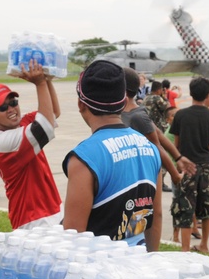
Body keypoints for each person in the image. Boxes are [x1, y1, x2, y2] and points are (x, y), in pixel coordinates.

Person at [63, 60, 162, 247]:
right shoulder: (149, 148)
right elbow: (156, 215)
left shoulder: (84, 158)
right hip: (138, 265)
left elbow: (73, 236)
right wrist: (151, 261)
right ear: (124, 101)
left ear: (80, 104)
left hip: (100, 271)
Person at [120, 67, 195, 251]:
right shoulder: (133, 113)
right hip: (131, 171)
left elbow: (155, 145)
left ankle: (149, 252)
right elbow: (159, 133)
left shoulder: (136, 114)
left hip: (142, 172)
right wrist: (177, 156)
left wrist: (174, 173)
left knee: (146, 215)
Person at [0, 60, 62, 229]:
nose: (11, 109)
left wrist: (47, 77)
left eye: (13, 103)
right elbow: (45, 127)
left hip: (52, 210)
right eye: (3, 107)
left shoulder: (24, 123)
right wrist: (40, 83)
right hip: (32, 220)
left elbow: (53, 113)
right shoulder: (0, 142)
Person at [168, 77, 209, 253]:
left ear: (191, 93)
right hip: (205, 165)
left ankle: (185, 248)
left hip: (186, 166)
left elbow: (176, 144)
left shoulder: (181, 115)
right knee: (206, 204)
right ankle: (204, 245)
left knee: (185, 205)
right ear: (207, 94)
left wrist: (177, 162)